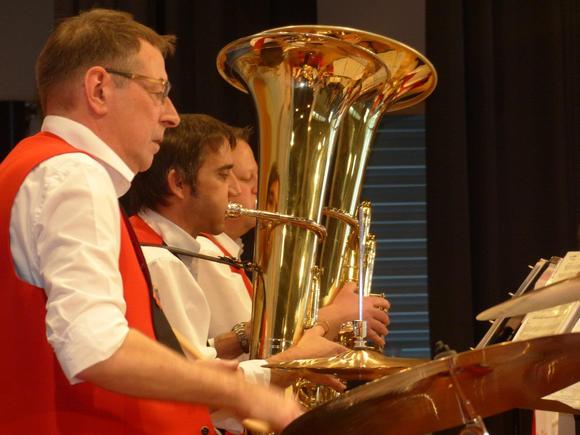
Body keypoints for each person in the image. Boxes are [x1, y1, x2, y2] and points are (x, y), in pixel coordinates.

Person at [0, 9, 300, 435]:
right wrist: (240, 392)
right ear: (99, 89)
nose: (171, 115)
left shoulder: (34, 167)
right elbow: (96, 346)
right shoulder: (73, 174)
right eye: (159, 91)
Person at [124, 113, 346, 432]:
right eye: (223, 175)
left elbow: (190, 359)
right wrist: (295, 361)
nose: (232, 190)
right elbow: (193, 389)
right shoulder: (160, 262)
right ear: (178, 183)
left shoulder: (162, 250)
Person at [197, 130, 391, 359]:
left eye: (257, 177)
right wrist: (338, 314)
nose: (258, 188)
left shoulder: (228, 255)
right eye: (247, 178)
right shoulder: (207, 255)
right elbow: (269, 354)